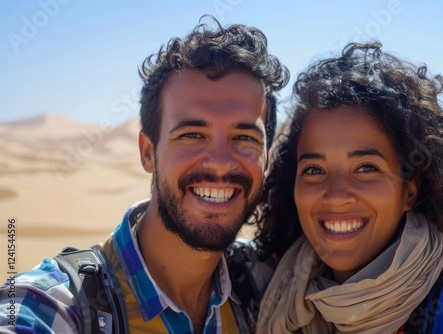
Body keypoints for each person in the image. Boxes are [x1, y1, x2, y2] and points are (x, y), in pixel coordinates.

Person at [0, 16, 289, 333]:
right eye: (192, 134)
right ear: (148, 152)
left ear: (266, 157)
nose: (220, 163)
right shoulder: (54, 305)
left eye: (245, 138)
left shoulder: (268, 285)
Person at [255, 42, 443, 333]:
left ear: (409, 191)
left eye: (366, 168)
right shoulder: (266, 286)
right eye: (313, 170)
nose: (336, 195)